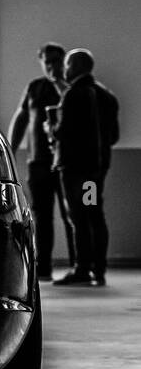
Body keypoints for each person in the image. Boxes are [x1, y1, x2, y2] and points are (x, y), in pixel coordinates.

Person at [50, 49, 120, 287]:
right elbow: (114, 136)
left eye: (68, 65)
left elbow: (63, 132)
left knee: (79, 217)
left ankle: (82, 268)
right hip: (96, 171)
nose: (65, 70)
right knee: (94, 213)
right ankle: (98, 269)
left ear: (77, 66)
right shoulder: (107, 96)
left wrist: (50, 128)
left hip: (75, 169)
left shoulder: (73, 95)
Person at [7, 43, 74, 280]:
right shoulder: (35, 87)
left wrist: (59, 82)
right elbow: (21, 118)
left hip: (67, 163)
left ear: (63, 62)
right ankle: (43, 267)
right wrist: (10, 150)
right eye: (47, 61)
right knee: (41, 215)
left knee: (72, 214)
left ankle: (79, 266)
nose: (51, 66)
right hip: (39, 162)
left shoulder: (73, 89)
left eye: (56, 61)